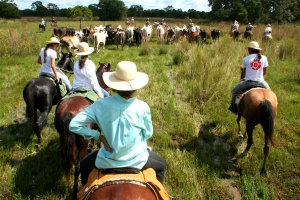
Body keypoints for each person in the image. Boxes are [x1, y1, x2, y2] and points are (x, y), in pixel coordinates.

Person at [69, 61, 166, 185]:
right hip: (137, 160)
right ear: (135, 87)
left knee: (83, 166)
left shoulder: (100, 105)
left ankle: (84, 192)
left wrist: (98, 136)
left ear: (113, 86)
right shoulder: (143, 107)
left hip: (107, 160)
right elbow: (148, 134)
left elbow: (74, 124)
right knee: (161, 165)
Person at [229, 41, 271, 114]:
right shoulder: (264, 58)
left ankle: (234, 109)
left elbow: (244, 70)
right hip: (261, 82)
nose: (248, 50)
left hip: (248, 82)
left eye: (248, 49)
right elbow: (264, 72)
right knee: (270, 94)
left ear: (251, 49)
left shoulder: (246, 58)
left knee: (234, 91)